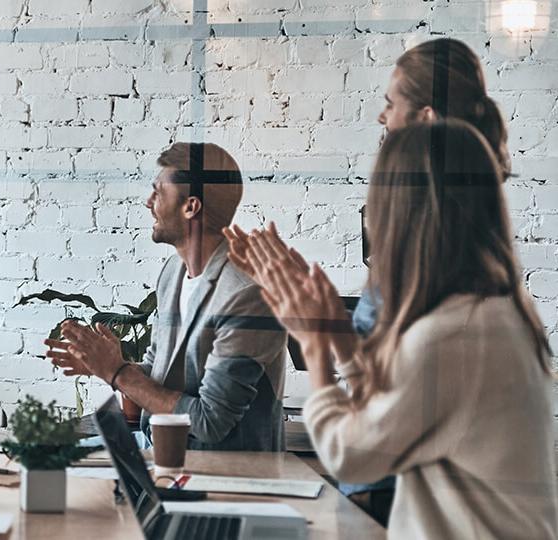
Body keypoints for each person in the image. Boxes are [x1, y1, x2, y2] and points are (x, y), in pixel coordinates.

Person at [225, 37, 514, 524]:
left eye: (389, 103)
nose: (381, 118)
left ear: (423, 118)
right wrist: (313, 320)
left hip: (401, 493)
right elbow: (385, 380)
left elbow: (369, 435)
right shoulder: (435, 242)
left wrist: (317, 343)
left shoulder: (436, 249)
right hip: (387, 490)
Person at [45, 143, 287, 452]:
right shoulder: (174, 271)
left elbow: (209, 422)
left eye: (158, 193)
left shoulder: (248, 293)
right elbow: (158, 375)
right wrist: (104, 364)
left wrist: (117, 373)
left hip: (226, 478)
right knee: (47, 453)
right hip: (163, 456)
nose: (148, 203)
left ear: (191, 207)